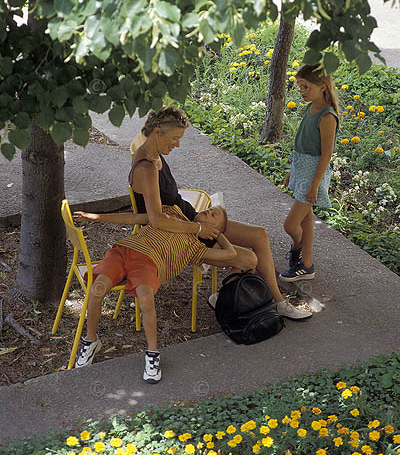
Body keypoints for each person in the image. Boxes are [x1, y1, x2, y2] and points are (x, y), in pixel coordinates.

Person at [130, 106, 312, 320]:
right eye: (175, 138)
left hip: (190, 218)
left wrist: (200, 220)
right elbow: (156, 219)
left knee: (260, 234)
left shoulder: (153, 151)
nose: (177, 144)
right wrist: (199, 228)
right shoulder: (146, 167)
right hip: (179, 233)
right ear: (158, 131)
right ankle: (232, 298)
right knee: (249, 260)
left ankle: (277, 302)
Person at [72, 204, 246, 383]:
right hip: (123, 251)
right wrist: (96, 216)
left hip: (148, 264)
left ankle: (153, 353)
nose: (208, 211)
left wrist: (219, 234)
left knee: (146, 299)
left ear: (213, 230)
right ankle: (91, 340)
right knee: (97, 289)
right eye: (210, 209)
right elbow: (135, 218)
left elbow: (230, 253)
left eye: (214, 215)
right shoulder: (172, 213)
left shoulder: (195, 248)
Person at [280, 64, 340, 282]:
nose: (302, 92)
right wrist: (291, 171)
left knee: (290, 225)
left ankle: (298, 250)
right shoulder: (311, 108)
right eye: (300, 87)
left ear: (322, 86)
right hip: (301, 169)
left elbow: (326, 155)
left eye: (306, 87)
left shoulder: (327, 117)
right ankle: (306, 265)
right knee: (306, 219)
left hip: (312, 174)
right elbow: (301, 145)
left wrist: (315, 185)